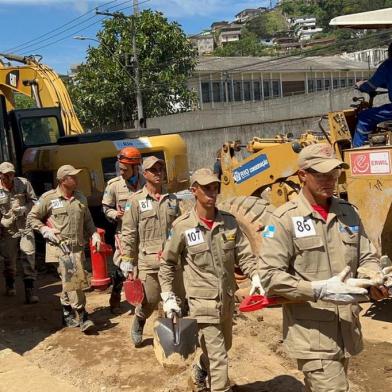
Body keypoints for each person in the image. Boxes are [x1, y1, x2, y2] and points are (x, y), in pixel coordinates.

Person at [258, 144, 388, 392]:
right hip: (312, 335)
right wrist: (318, 289)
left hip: (346, 329)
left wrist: (373, 280)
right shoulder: (283, 219)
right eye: (321, 174)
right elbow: (270, 276)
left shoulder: (348, 213)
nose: (330, 181)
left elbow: (367, 256)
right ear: (302, 175)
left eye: (334, 174)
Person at [159, 168, 263, 392]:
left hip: (226, 300)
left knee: (225, 346)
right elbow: (168, 264)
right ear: (193, 190)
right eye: (206, 188)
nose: (212, 192)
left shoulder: (229, 223)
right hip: (202, 303)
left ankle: (199, 367)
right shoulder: (183, 227)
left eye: (215, 187)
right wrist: (167, 295)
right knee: (219, 359)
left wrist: (254, 275)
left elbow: (243, 254)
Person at [28, 164, 102, 333]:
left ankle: (66, 312)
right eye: (72, 176)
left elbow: (88, 221)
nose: (76, 179)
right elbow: (32, 218)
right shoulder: (48, 198)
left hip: (77, 248)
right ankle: (83, 316)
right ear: (62, 180)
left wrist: (94, 234)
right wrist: (44, 230)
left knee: (68, 283)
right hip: (60, 249)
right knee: (74, 281)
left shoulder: (80, 197)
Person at [121, 156, 181, 347]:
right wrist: (128, 260)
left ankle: (176, 338)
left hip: (171, 261)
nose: (158, 173)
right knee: (151, 300)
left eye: (160, 169)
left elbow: (180, 229)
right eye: (153, 170)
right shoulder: (136, 201)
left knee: (177, 300)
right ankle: (139, 321)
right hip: (149, 261)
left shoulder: (172, 200)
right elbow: (129, 233)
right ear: (144, 173)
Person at [102, 146, 142, 314]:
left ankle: (143, 299)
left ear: (136, 167)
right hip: (123, 232)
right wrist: (114, 214)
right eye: (120, 168)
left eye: (125, 169)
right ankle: (116, 294)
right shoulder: (114, 186)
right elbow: (105, 207)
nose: (122, 172)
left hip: (144, 232)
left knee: (144, 266)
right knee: (122, 266)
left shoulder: (146, 182)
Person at [0, 162, 38, 304]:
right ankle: (10, 283)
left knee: (29, 256)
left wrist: (24, 209)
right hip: (7, 230)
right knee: (9, 260)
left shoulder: (23, 183)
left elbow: (35, 202)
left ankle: (30, 290)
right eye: (6, 174)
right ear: (1, 175)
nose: (10, 176)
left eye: (12, 173)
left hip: (25, 227)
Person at [353, 43, 392, 147]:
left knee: (365, 116)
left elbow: (369, 87)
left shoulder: (388, 65)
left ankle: (358, 149)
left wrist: (361, 85)